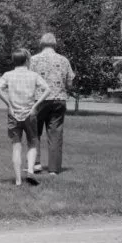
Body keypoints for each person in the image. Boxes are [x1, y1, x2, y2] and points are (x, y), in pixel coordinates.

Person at [0, 49, 52, 187]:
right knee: (33, 143)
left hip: (14, 114)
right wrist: (36, 105)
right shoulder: (33, 75)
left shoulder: (8, 75)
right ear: (27, 60)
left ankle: (18, 180)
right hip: (30, 114)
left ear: (14, 60)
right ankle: (30, 171)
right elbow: (47, 89)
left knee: (16, 146)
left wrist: (9, 104)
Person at [29, 33, 75, 176]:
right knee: (55, 134)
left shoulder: (33, 60)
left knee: (34, 132)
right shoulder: (64, 60)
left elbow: (28, 80)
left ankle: (36, 164)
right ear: (55, 44)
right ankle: (53, 169)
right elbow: (69, 83)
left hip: (38, 100)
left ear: (41, 44)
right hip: (58, 100)